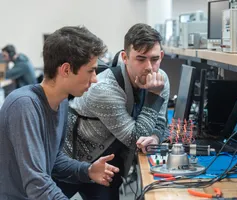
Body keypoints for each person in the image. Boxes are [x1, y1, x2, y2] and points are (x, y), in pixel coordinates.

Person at [0, 26, 120, 200]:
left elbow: (54, 160)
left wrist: (87, 170)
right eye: (91, 71)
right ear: (65, 70)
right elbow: (37, 184)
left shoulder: (61, 102)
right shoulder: (24, 105)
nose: (95, 79)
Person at [55, 23, 170, 200]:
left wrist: (154, 137)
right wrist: (154, 96)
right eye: (140, 59)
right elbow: (135, 139)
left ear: (161, 56)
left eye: (154, 59)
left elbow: (161, 122)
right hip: (74, 159)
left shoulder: (161, 78)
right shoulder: (105, 89)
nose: (149, 67)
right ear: (125, 57)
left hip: (108, 159)